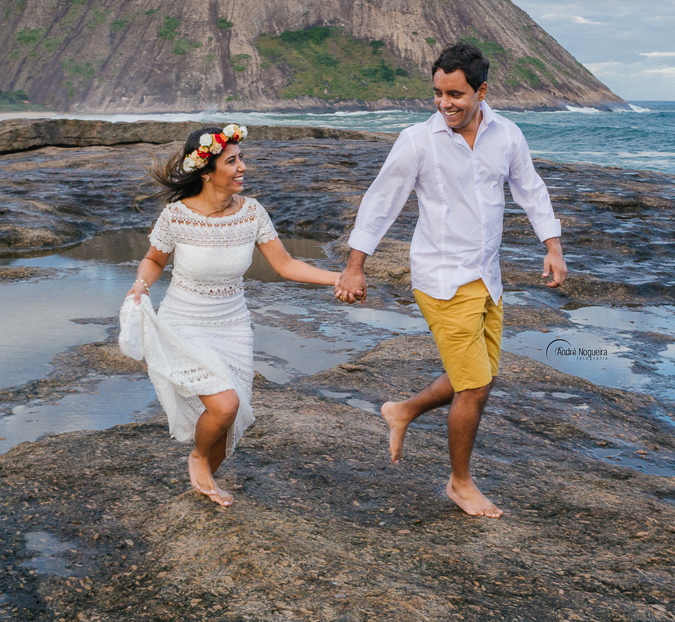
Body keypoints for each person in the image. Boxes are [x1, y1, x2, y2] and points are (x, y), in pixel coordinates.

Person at [335, 42, 568, 518]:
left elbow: (530, 188)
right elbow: (382, 202)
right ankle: (460, 484)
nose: (445, 104)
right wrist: (355, 264)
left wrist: (553, 245)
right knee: (475, 386)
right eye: (438, 93)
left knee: (478, 374)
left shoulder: (507, 134)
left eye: (456, 94)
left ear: (481, 91)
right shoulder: (418, 141)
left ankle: (402, 410)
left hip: (487, 277)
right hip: (441, 278)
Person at [118, 124, 349, 508]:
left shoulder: (252, 212)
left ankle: (204, 479)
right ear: (207, 171)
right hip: (184, 322)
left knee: (232, 413)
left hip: (232, 324)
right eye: (233, 161)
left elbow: (286, 265)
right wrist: (140, 284)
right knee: (225, 405)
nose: (243, 167)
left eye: (241, 158)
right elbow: (154, 259)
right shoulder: (176, 216)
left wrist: (339, 278)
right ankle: (196, 459)